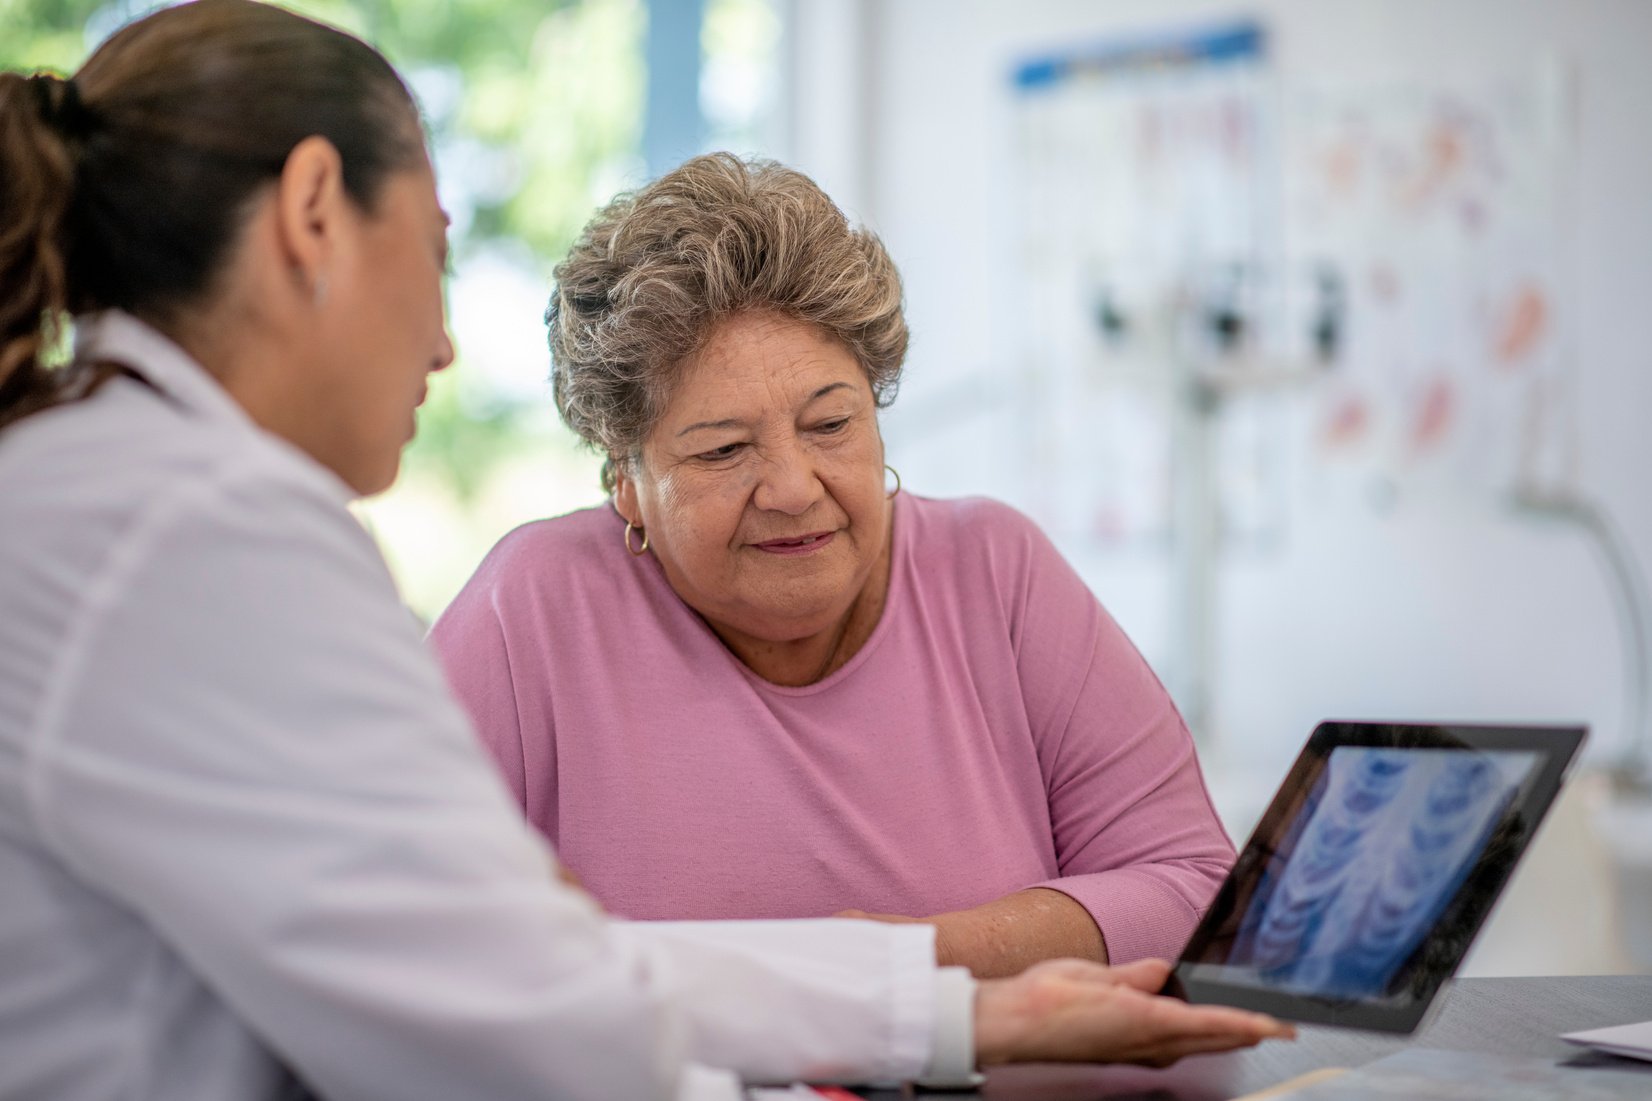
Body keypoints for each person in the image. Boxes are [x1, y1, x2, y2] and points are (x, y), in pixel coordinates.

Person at [0, 3, 1292, 1100]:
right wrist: (953, 1010)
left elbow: (513, 965)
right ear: (314, 213)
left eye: (832, 423)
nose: (444, 345)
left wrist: (949, 1005)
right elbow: (513, 988)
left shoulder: (118, 493)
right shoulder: (195, 530)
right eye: (439, 255)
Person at [432, 153, 1236, 979]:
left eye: (830, 425)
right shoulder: (532, 608)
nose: (790, 487)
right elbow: (405, 938)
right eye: (723, 449)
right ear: (626, 480)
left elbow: (1199, 891)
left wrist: (901, 964)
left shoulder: (996, 572)